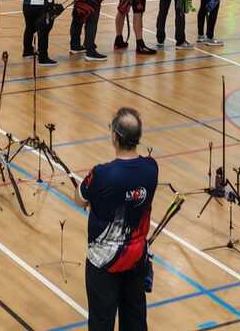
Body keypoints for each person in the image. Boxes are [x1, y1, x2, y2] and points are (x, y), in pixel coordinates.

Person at [78, 107, 159, 331]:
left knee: (101, 322)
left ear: (115, 136)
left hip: (103, 262)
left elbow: (79, 198)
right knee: (134, 321)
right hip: (136, 258)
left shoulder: (102, 174)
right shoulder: (151, 168)